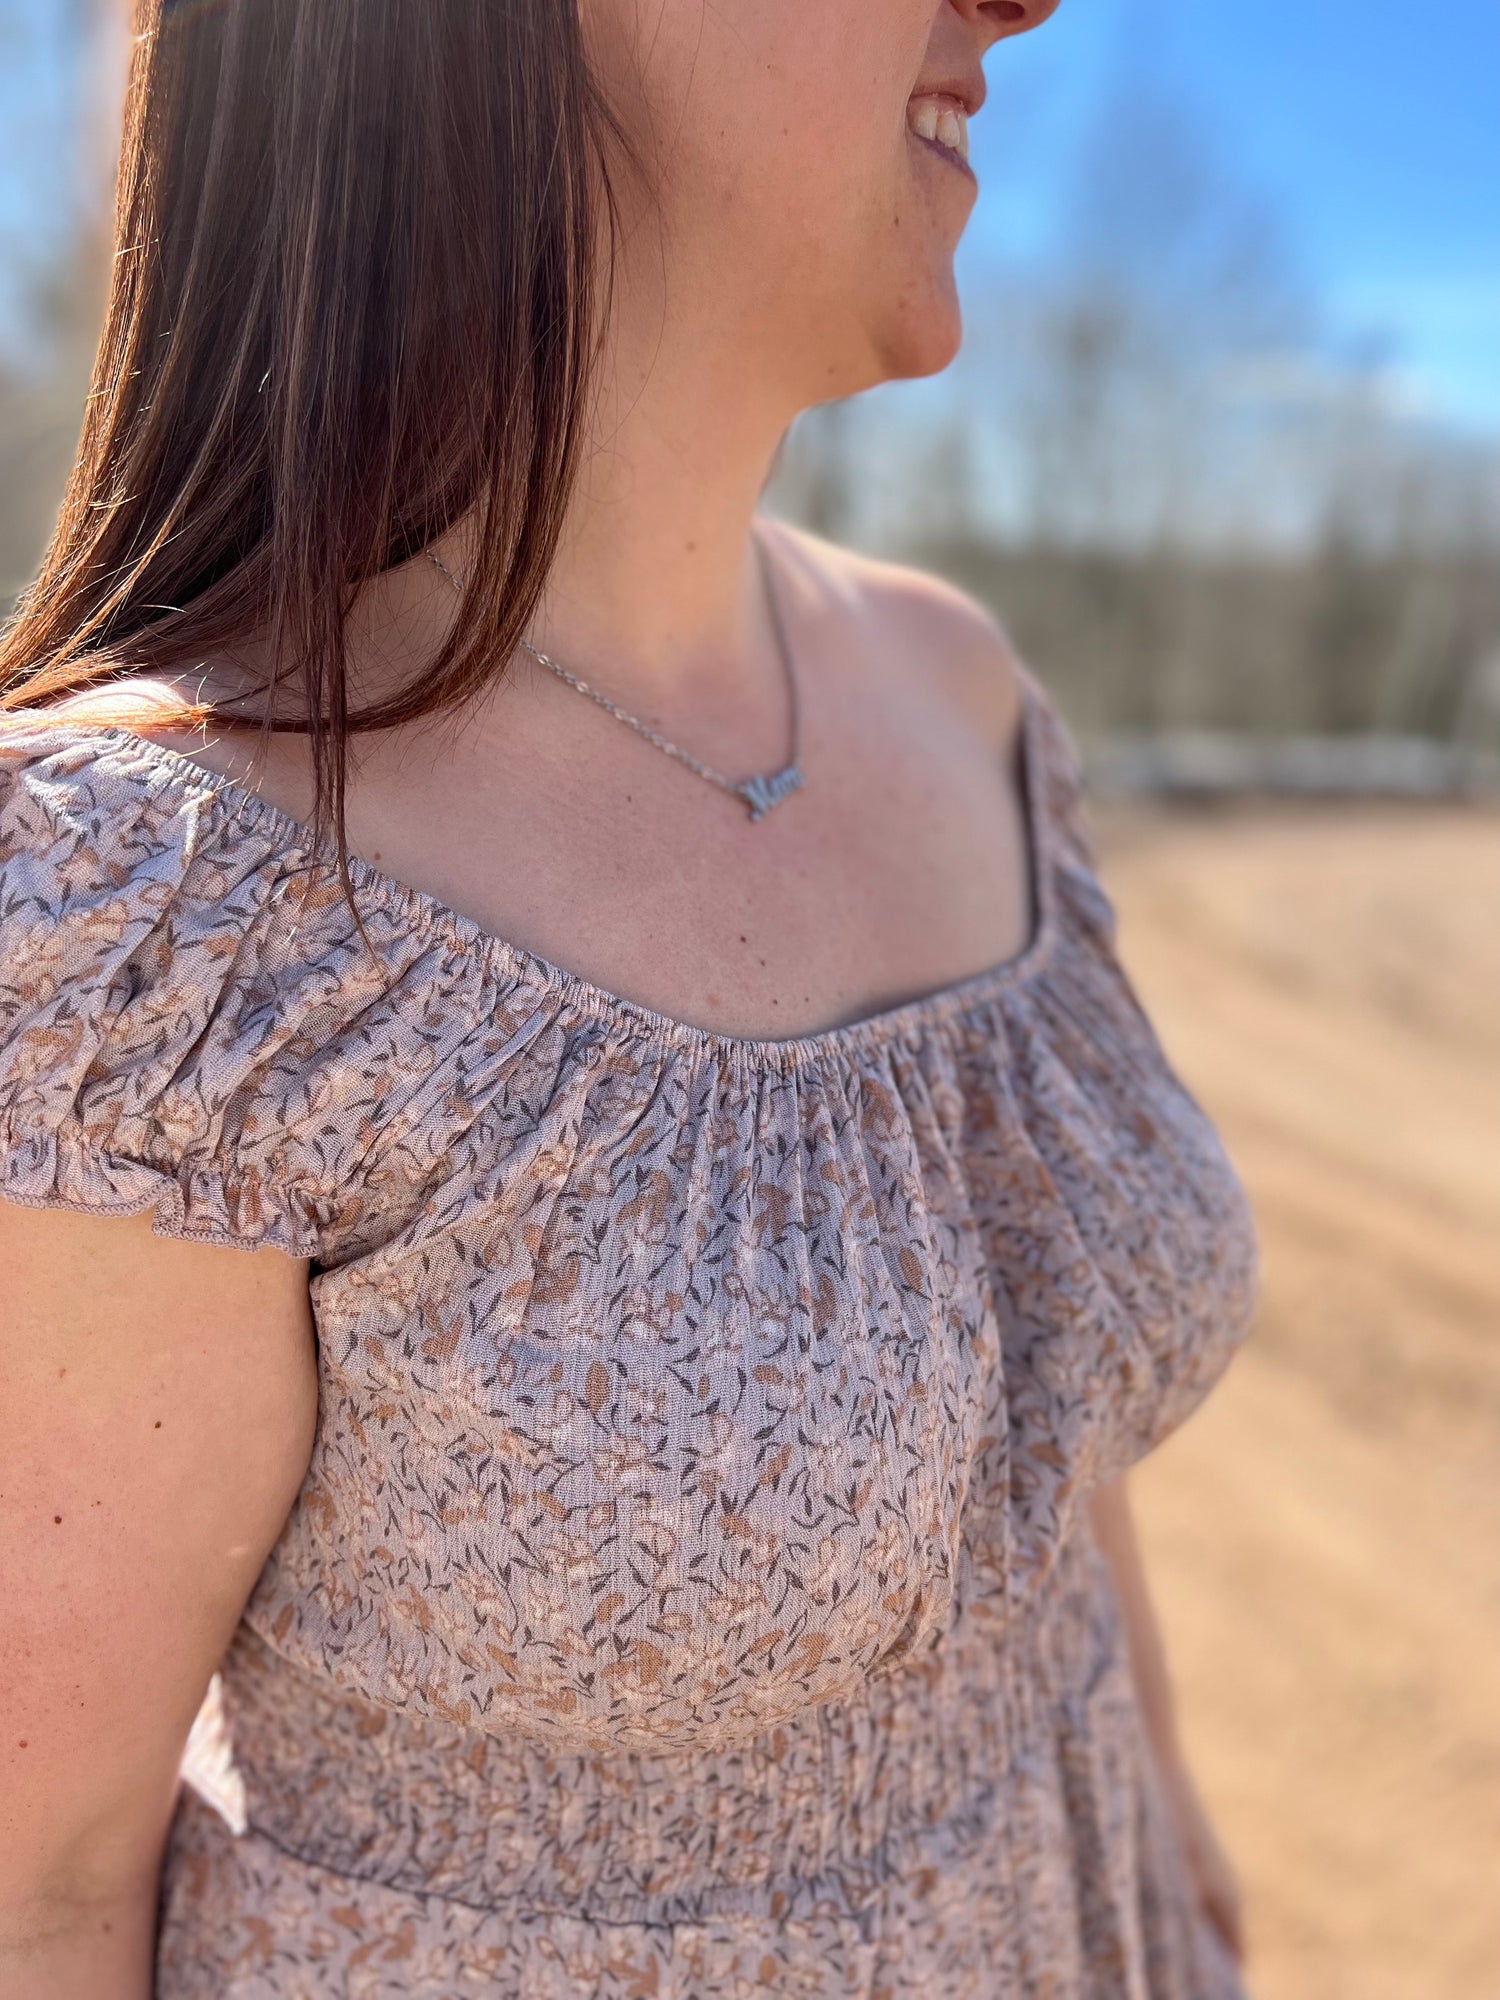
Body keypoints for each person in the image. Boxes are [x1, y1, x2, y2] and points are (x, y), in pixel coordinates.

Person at [0, 2, 1262, 1995]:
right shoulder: (163, 913)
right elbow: (40, 1884)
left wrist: (1172, 1837)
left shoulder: (966, 694)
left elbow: (1037, 1444)